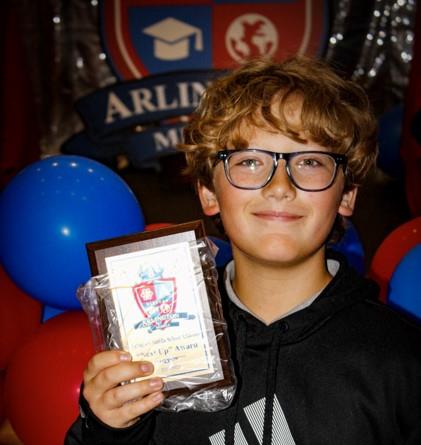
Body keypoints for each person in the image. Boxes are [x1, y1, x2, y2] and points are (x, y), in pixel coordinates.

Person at [66, 56, 421, 445]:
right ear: (208, 192)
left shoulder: (402, 361)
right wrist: (106, 430)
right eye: (250, 161)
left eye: (311, 162)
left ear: (347, 195)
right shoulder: (157, 342)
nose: (280, 186)